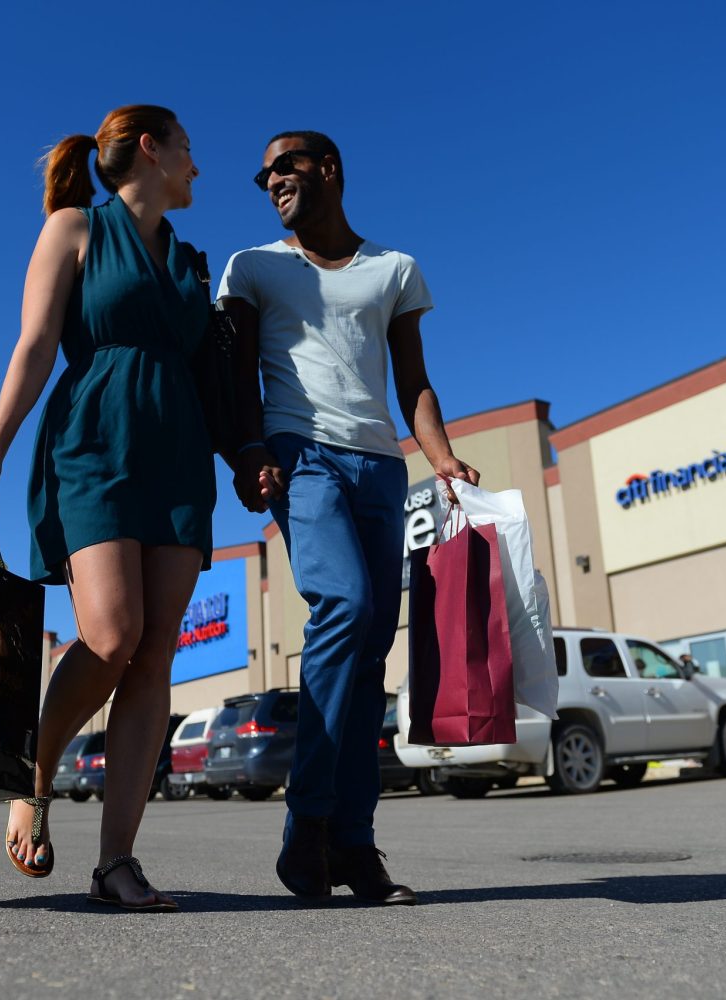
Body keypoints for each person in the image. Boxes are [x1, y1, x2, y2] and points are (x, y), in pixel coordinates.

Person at [0, 105, 214, 912]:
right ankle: (30, 773)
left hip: (177, 454)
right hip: (93, 442)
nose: (196, 166)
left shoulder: (191, 259)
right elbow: (34, 343)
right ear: (152, 148)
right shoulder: (74, 228)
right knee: (111, 635)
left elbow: (213, 371)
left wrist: (248, 458)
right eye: (188, 149)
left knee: (155, 658)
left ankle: (116, 862)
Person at [218, 131, 480, 906]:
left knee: (371, 654)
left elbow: (415, 382)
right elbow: (233, 373)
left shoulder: (393, 269)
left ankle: (354, 846)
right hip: (302, 457)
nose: (272, 182)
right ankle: (310, 828)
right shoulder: (253, 267)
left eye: (285, 167)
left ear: (328, 169)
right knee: (345, 606)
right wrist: (245, 452)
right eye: (263, 175)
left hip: (380, 468)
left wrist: (441, 457)